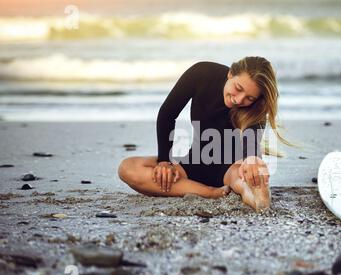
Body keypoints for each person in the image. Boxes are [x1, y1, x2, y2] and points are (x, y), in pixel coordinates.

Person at [118, 56, 292, 212]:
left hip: (231, 170)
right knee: (128, 168)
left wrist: (252, 159)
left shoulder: (256, 109)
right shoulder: (202, 74)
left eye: (249, 98)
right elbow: (167, 113)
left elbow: (251, 138)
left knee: (253, 184)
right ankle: (210, 193)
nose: (239, 100)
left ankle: (249, 194)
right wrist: (164, 160)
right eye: (238, 88)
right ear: (231, 74)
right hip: (192, 164)